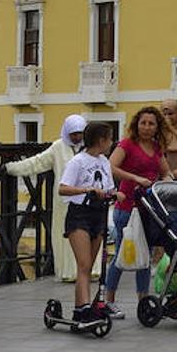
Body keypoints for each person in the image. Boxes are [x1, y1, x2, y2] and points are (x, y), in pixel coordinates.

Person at [3, 113, 89, 282]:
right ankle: (69, 272)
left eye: (80, 133)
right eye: (74, 134)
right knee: (65, 236)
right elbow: (37, 163)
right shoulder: (58, 148)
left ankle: (89, 270)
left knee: (87, 234)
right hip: (65, 202)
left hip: (86, 201)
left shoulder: (89, 148)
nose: (77, 137)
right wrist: (11, 168)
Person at [102, 106, 170, 317]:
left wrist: (168, 181)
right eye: (143, 123)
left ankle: (143, 300)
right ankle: (108, 300)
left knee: (145, 255)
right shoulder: (127, 145)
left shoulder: (156, 147)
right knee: (123, 254)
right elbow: (110, 166)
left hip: (148, 208)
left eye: (151, 123)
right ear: (136, 124)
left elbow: (165, 171)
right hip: (127, 207)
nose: (147, 127)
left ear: (157, 126)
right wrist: (134, 178)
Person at [56, 123, 117, 320]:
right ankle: (83, 307)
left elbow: (108, 187)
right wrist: (87, 190)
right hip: (80, 214)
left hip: (98, 213)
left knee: (89, 265)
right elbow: (63, 188)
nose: (111, 143)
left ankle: (81, 307)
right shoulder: (78, 161)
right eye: (109, 138)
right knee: (83, 264)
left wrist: (116, 194)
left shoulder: (105, 161)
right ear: (101, 140)